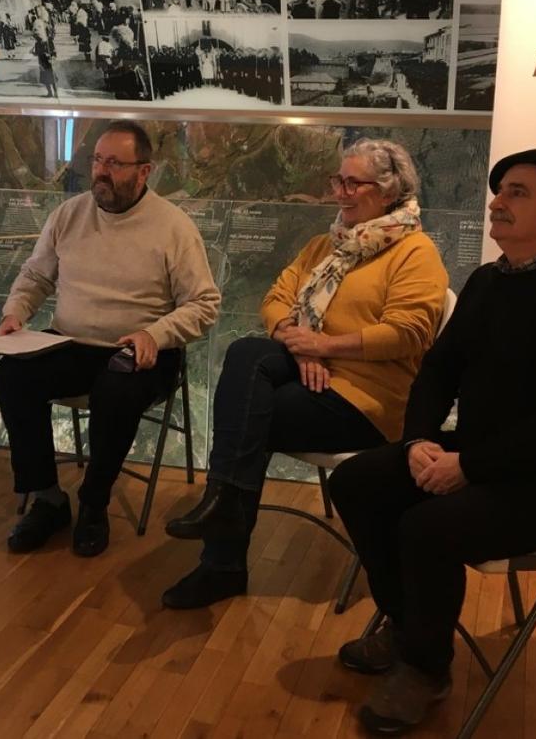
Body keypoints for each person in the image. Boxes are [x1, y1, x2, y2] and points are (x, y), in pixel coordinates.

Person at [327, 149, 536, 736]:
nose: (497, 202)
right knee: (357, 481)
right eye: (500, 192)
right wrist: (419, 440)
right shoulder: (490, 281)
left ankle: (425, 667)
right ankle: (409, 625)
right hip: (481, 455)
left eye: (518, 192)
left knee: (427, 526)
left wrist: (470, 465)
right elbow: (439, 368)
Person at [161, 138, 448, 609]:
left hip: (367, 400)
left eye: (353, 183)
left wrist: (324, 346)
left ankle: (222, 553)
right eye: (339, 181)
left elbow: (408, 333)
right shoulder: (325, 246)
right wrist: (303, 348)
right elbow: (276, 299)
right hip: (309, 374)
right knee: (248, 353)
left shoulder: (415, 252)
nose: (340, 192)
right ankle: (225, 514)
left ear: (389, 191)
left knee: (249, 415)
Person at [0, 120, 220, 558]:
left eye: (115, 163)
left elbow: (204, 304)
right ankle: (48, 498)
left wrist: (155, 333)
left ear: (144, 171)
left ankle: (94, 503)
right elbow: (36, 275)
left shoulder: (173, 227)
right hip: (71, 341)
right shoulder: (69, 214)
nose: (101, 171)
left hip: (141, 350)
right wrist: (15, 313)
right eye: (97, 160)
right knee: (11, 376)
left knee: (115, 391)